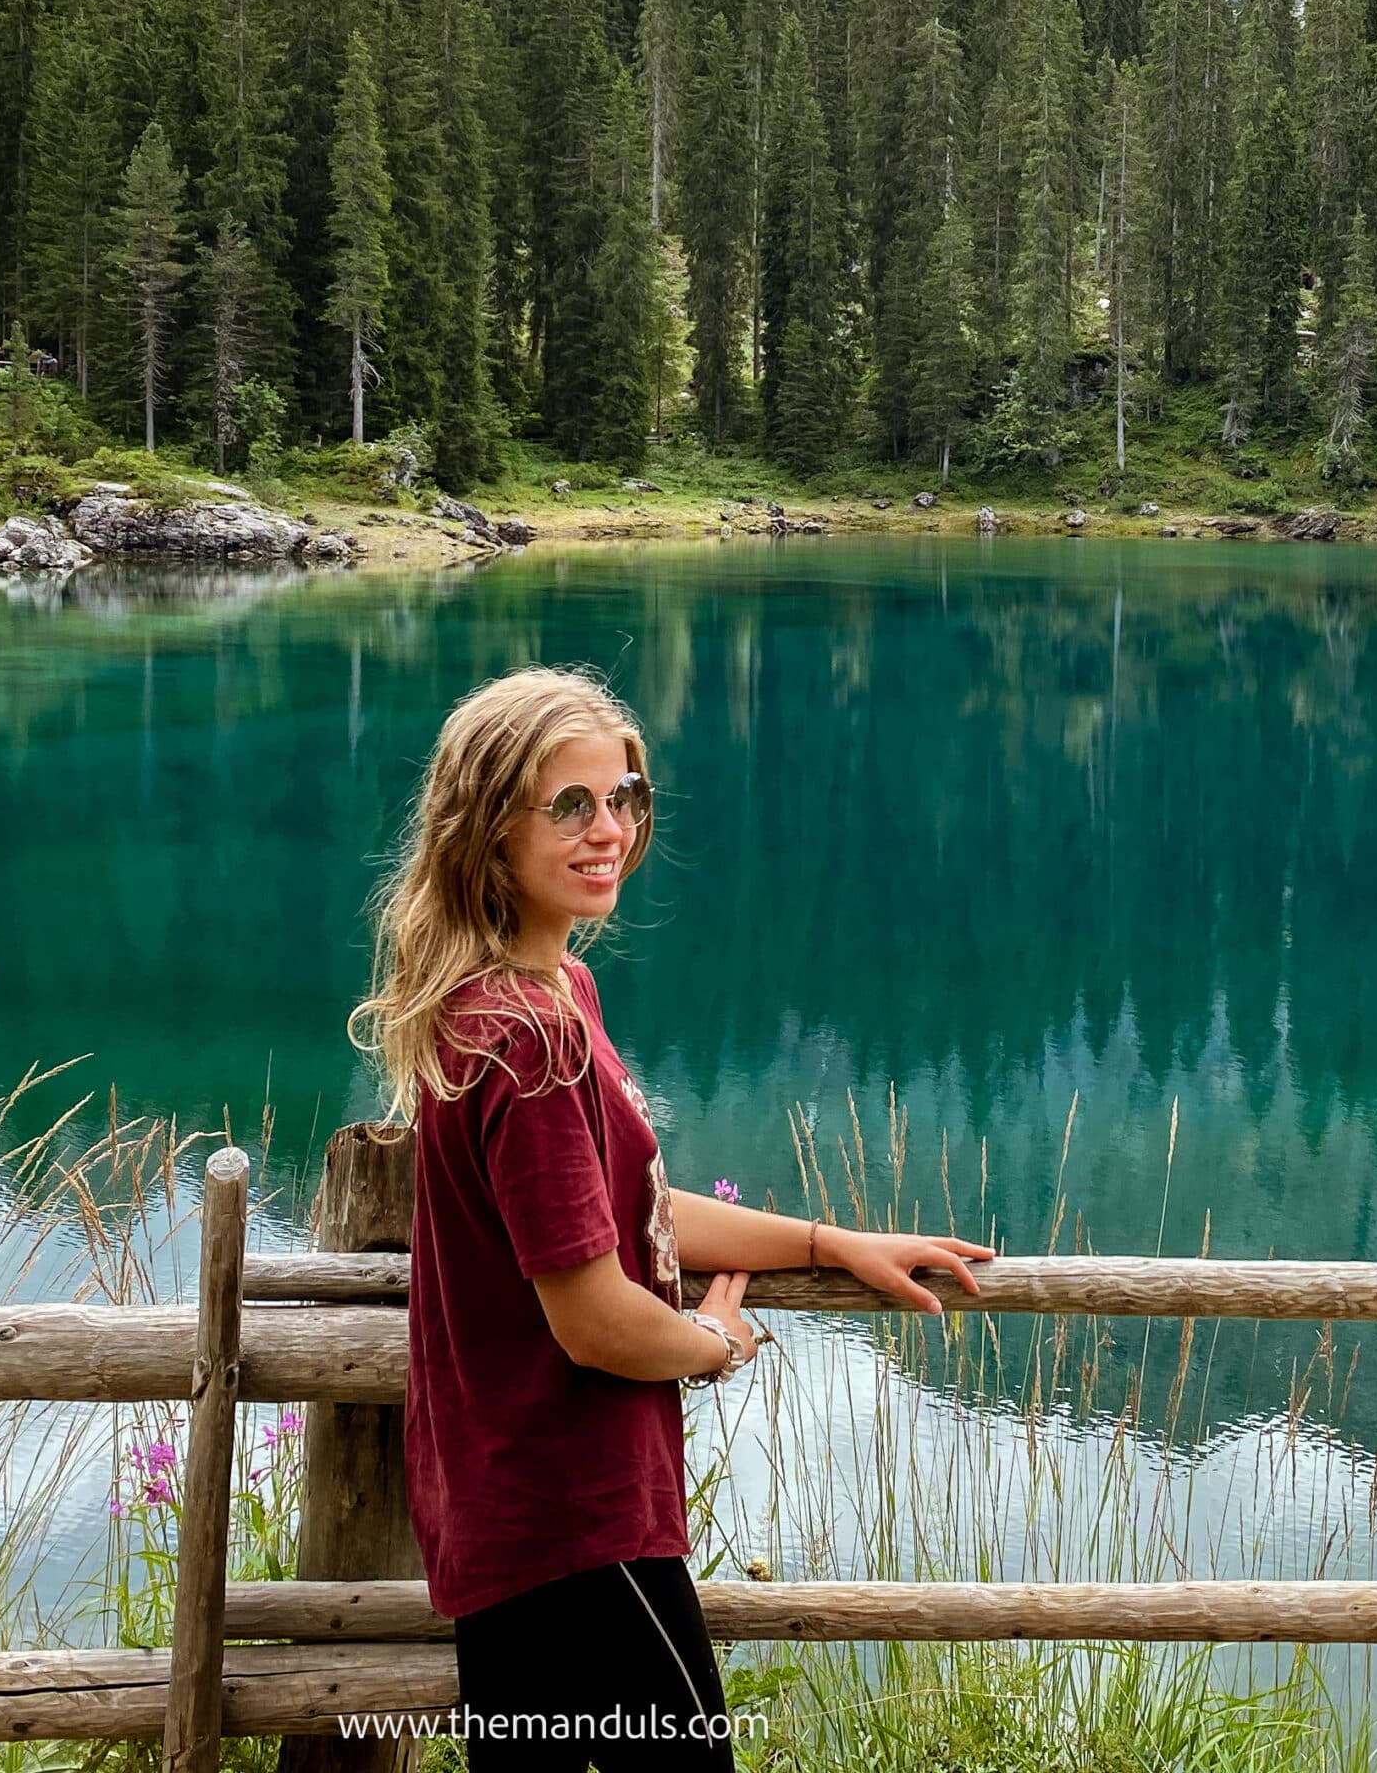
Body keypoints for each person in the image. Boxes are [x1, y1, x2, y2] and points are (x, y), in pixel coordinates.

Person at [350, 665, 993, 1770]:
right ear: (488, 827)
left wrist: (824, 1242)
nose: (611, 829)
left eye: (626, 796)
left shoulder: (517, 999)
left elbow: (616, 1207)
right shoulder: (532, 1042)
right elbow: (593, 1315)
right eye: (571, 804)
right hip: (575, 1523)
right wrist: (716, 1344)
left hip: (506, 1511)